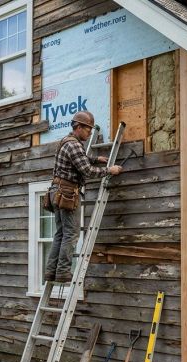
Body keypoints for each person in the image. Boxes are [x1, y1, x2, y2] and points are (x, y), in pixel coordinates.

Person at [44, 111, 123, 283]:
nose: (89, 133)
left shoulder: (66, 142)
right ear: (78, 127)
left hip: (56, 192)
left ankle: (51, 271)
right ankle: (64, 272)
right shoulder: (75, 145)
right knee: (71, 234)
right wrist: (110, 170)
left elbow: (79, 161)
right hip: (67, 193)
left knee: (60, 234)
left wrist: (95, 159)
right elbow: (87, 171)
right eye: (87, 129)